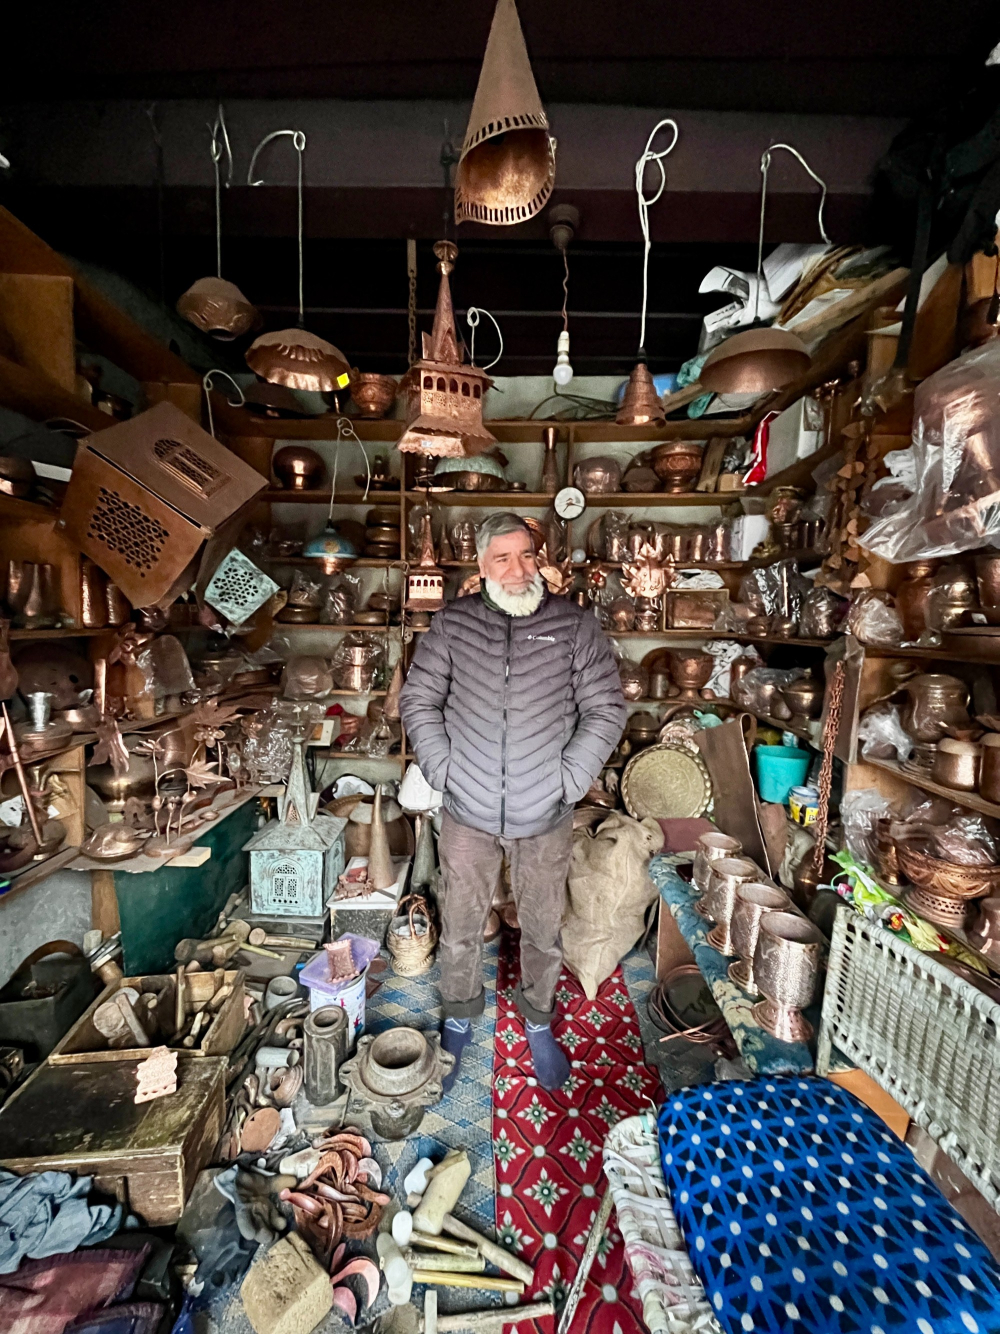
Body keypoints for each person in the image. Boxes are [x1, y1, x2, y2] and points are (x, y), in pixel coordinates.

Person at [399, 512, 627, 1091]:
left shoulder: (574, 626)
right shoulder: (451, 627)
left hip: (545, 810)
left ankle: (540, 1023)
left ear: (539, 557)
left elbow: (605, 709)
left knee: (545, 926)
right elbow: (419, 702)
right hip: (467, 809)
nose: (517, 569)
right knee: (460, 923)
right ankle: (458, 1016)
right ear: (481, 566)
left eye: (525, 555)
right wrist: (445, 770)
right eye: (501, 558)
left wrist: (568, 780)